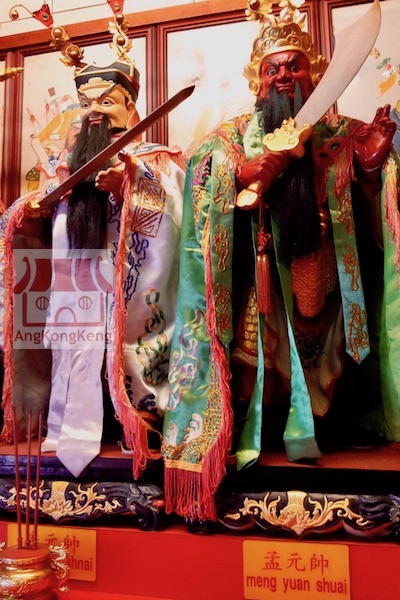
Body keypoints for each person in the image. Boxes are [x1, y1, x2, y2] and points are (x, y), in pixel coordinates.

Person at [161, 0, 400, 522]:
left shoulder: (343, 134)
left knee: (331, 358)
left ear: (315, 74)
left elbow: (374, 211)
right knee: (256, 358)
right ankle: (262, 429)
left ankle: (333, 426)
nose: (284, 76)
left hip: (327, 277)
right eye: (273, 69)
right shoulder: (231, 138)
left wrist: (369, 170)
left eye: (295, 65)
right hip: (262, 277)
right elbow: (201, 168)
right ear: (258, 81)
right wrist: (239, 173)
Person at [0, 38, 185, 479]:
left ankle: (137, 416)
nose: (94, 112)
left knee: (133, 337)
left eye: (106, 101)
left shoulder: (155, 160)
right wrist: (29, 214)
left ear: (131, 108)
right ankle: (67, 416)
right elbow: (33, 227)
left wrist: (130, 186)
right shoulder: (63, 168)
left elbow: (178, 216)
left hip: (130, 294)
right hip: (77, 294)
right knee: (72, 340)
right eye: (86, 104)